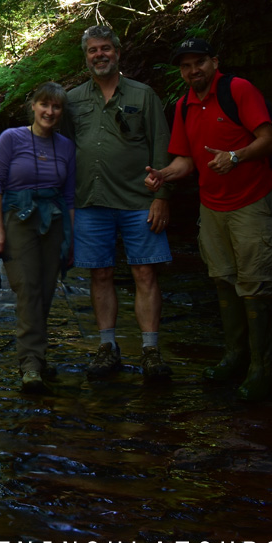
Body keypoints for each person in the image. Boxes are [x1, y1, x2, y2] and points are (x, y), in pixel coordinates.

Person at [144, 37, 272, 402]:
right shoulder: (183, 107)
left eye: (199, 63)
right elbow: (185, 161)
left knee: (255, 285)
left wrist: (235, 157)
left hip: (251, 203)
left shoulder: (237, 90)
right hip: (212, 207)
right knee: (223, 279)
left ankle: (261, 369)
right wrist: (163, 175)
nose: (193, 71)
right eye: (186, 66)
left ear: (214, 62)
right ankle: (235, 356)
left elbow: (268, 140)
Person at [62, 25, 175, 382]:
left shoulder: (143, 96)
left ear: (118, 52)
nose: (100, 55)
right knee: (100, 273)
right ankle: (107, 346)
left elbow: (162, 146)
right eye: (93, 50)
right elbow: (63, 152)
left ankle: (150, 350)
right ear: (86, 56)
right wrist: (68, 206)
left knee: (145, 272)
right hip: (90, 201)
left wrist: (162, 197)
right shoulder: (73, 99)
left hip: (139, 200)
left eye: (106, 48)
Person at [0, 82, 76, 394]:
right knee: (28, 288)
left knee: (47, 289)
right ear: (34, 107)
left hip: (53, 221)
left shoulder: (65, 146)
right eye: (44, 105)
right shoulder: (11, 139)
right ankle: (30, 365)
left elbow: (69, 196)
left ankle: (37, 355)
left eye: (56, 107)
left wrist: (70, 236)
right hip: (18, 219)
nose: (50, 112)